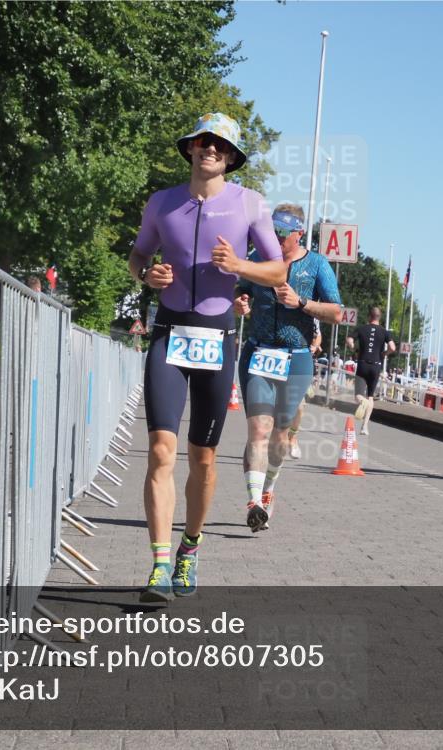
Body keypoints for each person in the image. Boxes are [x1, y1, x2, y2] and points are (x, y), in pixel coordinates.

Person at [128, 113, 287, 601]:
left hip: (217, 335)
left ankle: (189, 549)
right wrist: (146, 275)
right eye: (201, 142)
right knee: (160, 450)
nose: (208, 150)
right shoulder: (163, 202)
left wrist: (240, 265)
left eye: (218, 145)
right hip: (169, 331)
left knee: (203, 455)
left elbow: (278, 269)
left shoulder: (251, 205)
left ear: (231, 157)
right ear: (190, 150)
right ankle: (158, 563)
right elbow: (138, 255)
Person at [233, 204, 342, 532]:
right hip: (258, 353)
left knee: (280, 435)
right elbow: (240, 288)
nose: (278, 237)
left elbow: (337, 312)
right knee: (259, 429)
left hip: (296, 358)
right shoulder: (256, 258)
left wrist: (302, 303)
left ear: (299, 232)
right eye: (274, 229)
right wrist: (240, 300)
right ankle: (254, 502)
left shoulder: (317, 264)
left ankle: (268, 490)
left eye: (284, 231)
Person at [346, 306, 395, 435]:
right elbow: (393, 347)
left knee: (358, 395)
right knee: (371, 396)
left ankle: (363, 402)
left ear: (369, 316)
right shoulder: (384, 332)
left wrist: (353, 348)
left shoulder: (362, 329)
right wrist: (384, 353)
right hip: (376, 365)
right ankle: (364, 427)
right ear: (379, 317)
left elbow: (349, 340)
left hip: (362, 364)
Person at [287, 319, 321, 459]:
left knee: (300, 406)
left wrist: (315, 346)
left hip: (299, 361)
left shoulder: (310, 311)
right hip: (276, 359)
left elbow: (317, 334)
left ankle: (293, 437)